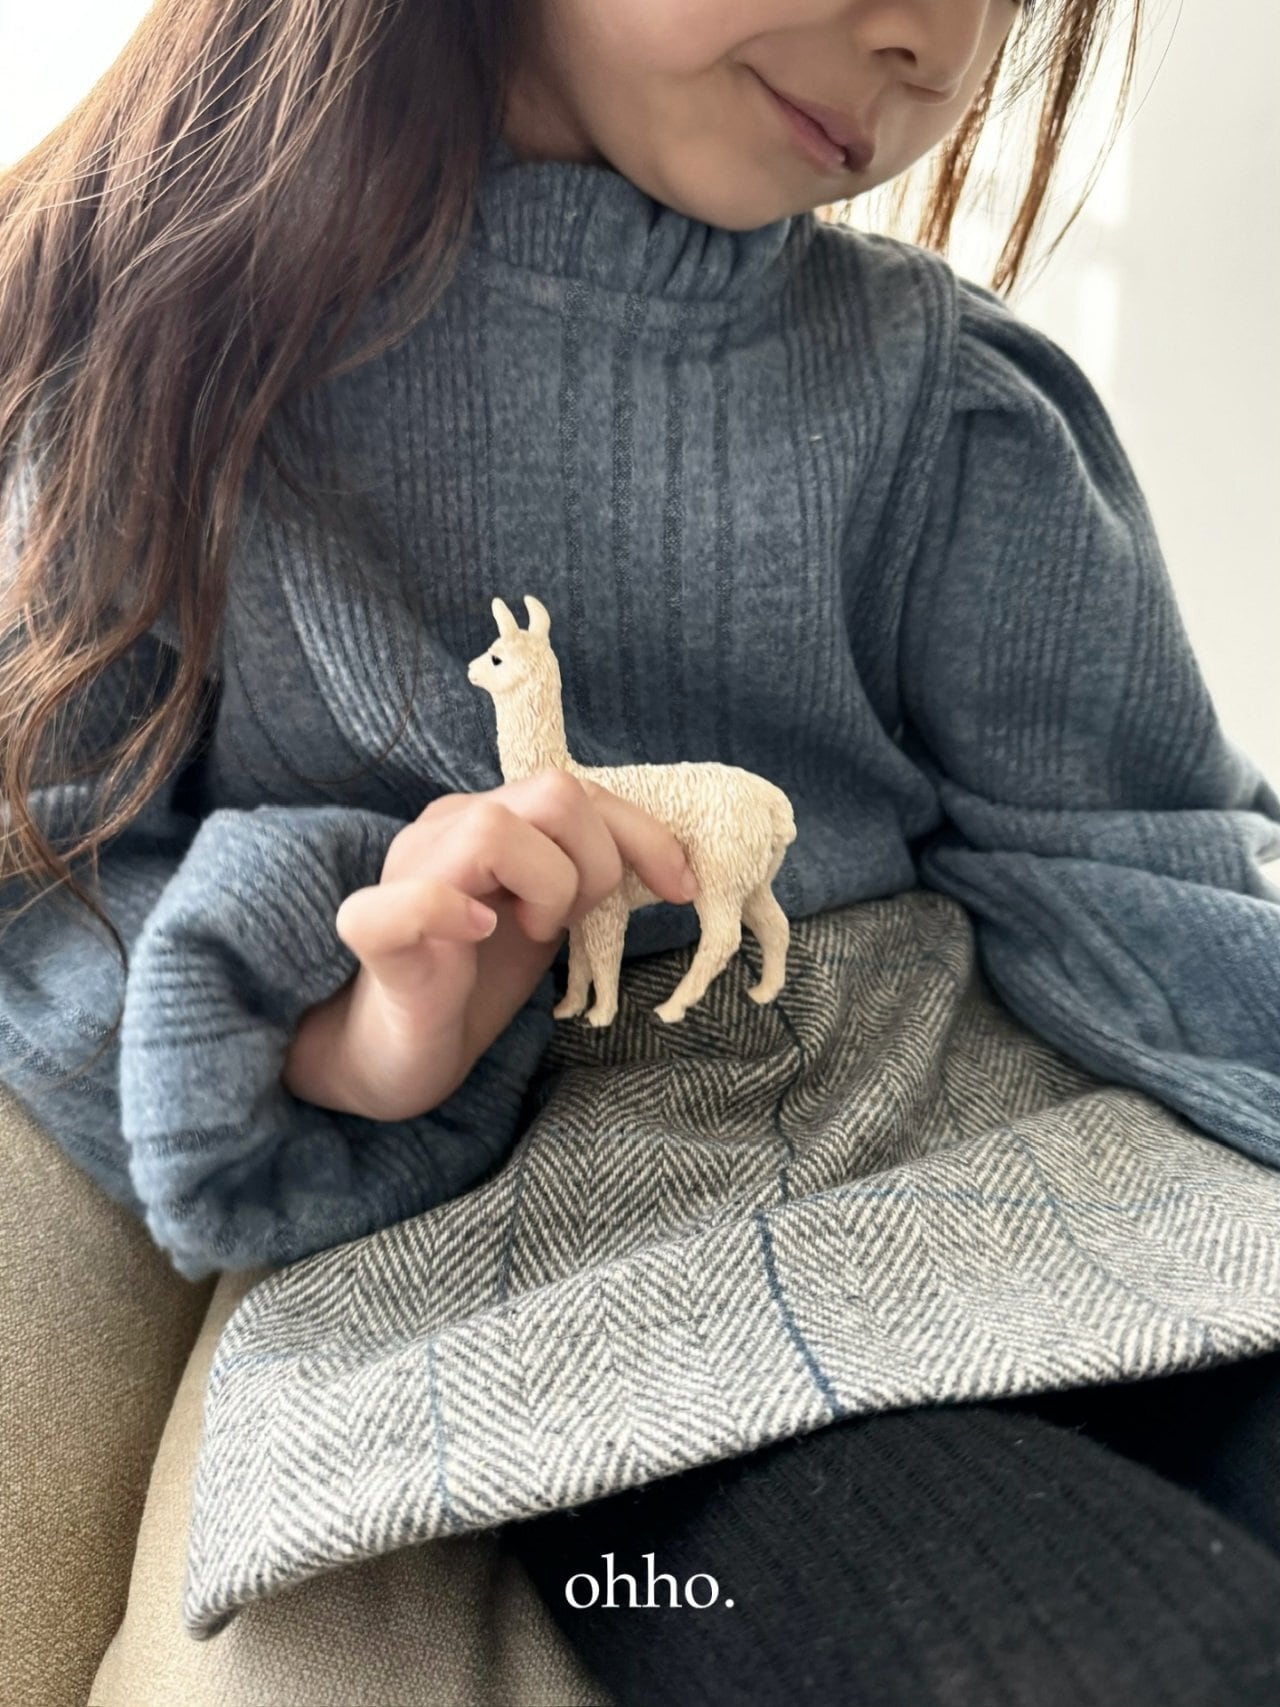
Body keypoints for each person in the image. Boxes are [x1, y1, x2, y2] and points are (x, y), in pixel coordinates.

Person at [2, 1, 1279, 1701]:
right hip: (609, 1299)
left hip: (1069, 1177)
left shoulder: (951, 405)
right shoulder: (152, 360)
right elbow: (51, 877)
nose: (935, 42)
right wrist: (348, 1040)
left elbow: (1147, 871)